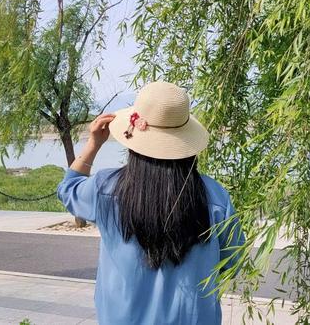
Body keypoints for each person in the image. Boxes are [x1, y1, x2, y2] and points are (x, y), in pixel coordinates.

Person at [57, 81, 246, 325]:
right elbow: (232, 261)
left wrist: (93, 144)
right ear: (186, 141)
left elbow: (68, 189)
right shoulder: (215, 197)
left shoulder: (105, 188)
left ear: (134, 137)